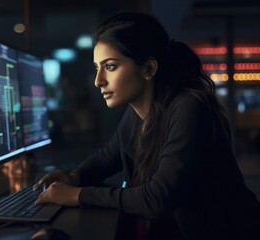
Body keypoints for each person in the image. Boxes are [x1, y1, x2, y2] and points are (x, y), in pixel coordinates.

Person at [34, 12, 260, 239]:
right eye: (97, 68)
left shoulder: (188, 107)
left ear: (149, 69)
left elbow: (157, 198)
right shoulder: (137, 113)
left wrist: (77, 195)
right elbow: (106, 158)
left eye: (110, 66)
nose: (98, 81)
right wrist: (74, 177)